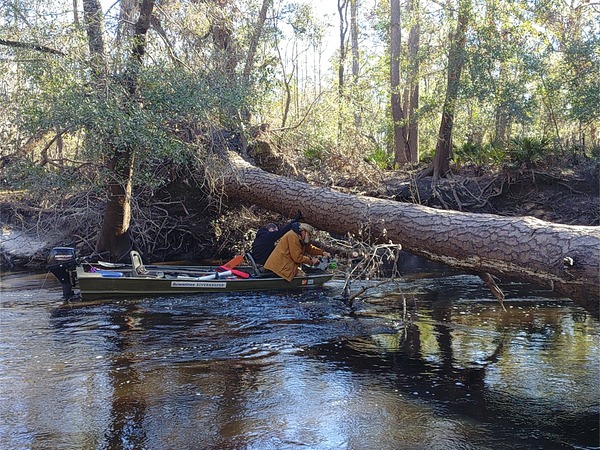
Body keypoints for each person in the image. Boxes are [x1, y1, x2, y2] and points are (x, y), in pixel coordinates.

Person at [264, 222, 332, 282]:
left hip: (286, 266)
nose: (309, 236)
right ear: (304, 231)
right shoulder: (293, 236)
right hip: (280, 267)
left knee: (302, 274)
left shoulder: (300, 238)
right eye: (309, 234)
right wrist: (311, 261)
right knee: (302, 276)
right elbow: (297, 257)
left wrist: (322, 253)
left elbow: (309, 248)